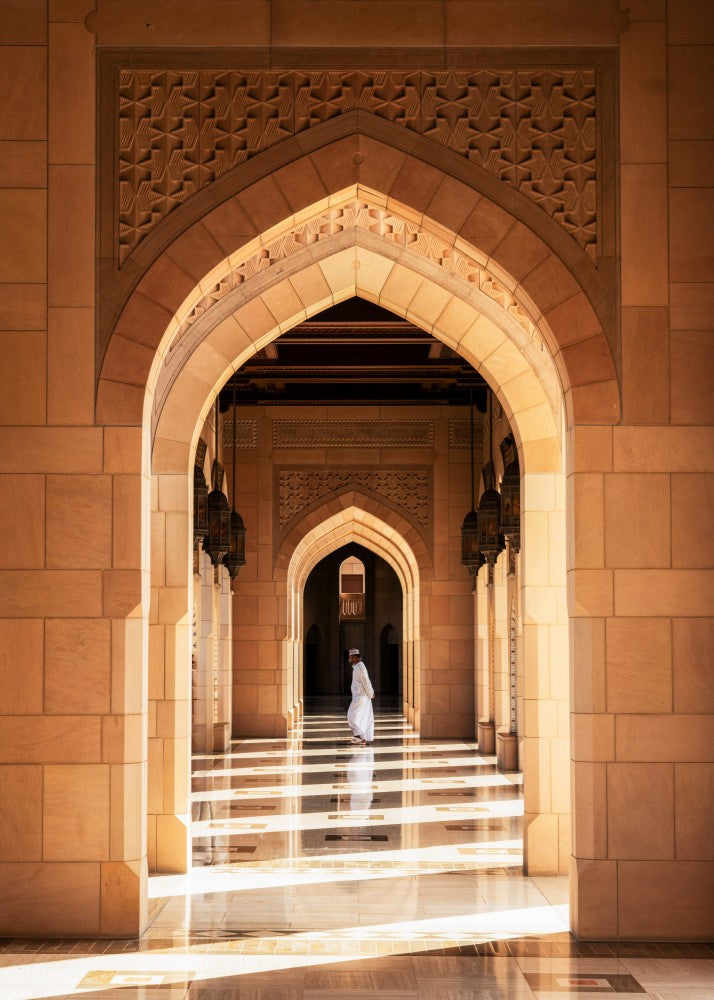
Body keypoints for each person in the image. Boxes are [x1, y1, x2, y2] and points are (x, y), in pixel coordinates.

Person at [346, 648, 374, 744]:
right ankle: (361, 737)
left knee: (351, 715)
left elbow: (366, 681)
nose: (349, 659)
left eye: (350, 657)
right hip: (359, 696)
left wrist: (370, 693)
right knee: (360, 716)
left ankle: (358, 736)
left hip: (361, 696)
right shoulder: (357, 667)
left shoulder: (360, 667)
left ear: (355, 657)